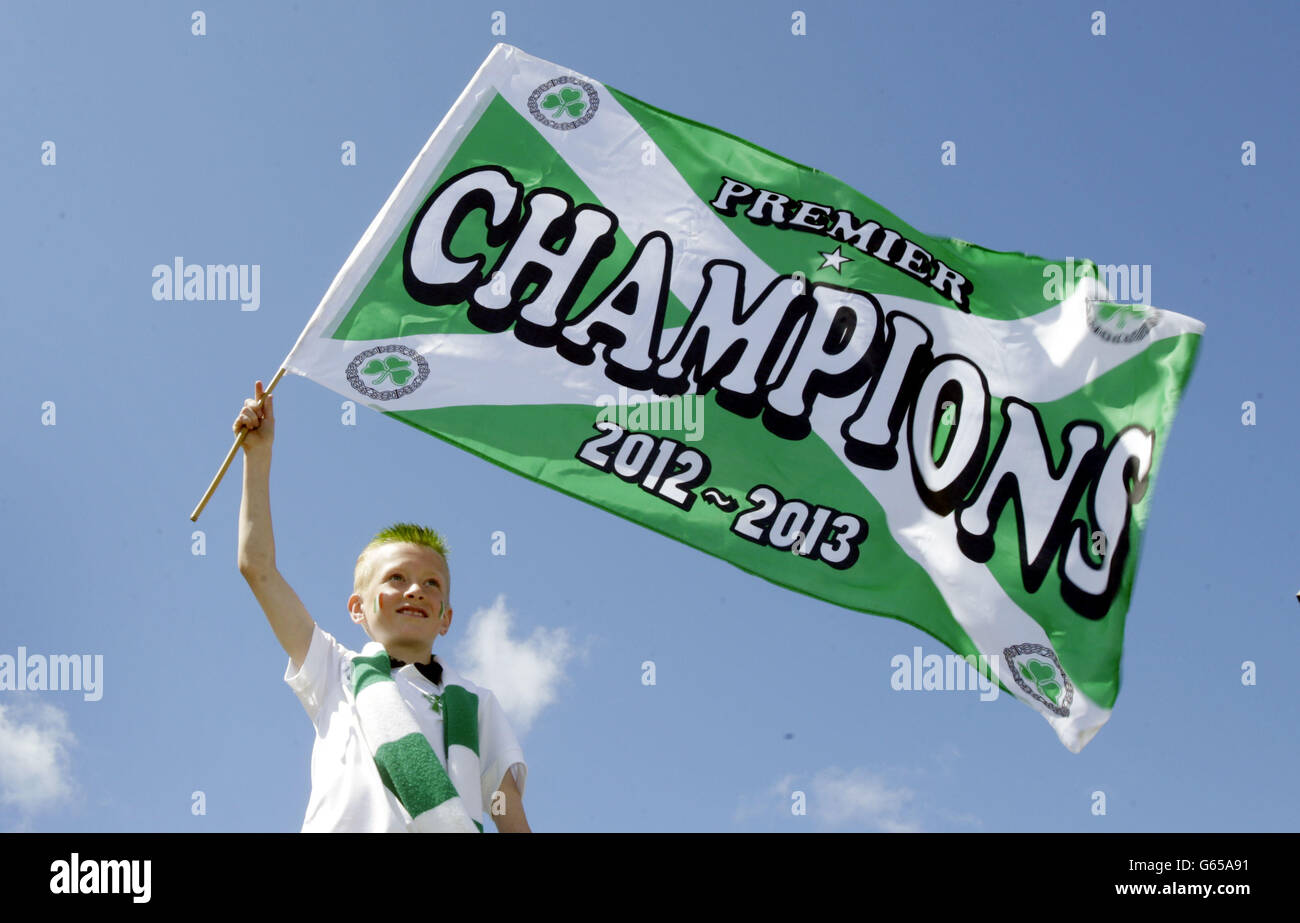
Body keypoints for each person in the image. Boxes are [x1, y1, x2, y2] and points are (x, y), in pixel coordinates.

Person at [234, 380, 530, 832]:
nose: (415, 590)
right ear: (358, 608)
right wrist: (257, 456)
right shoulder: (334, 670)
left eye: (432, 584)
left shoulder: (477, 703)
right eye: (396, 579)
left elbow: (505, 808)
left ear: (446, 617)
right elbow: (258, 568)